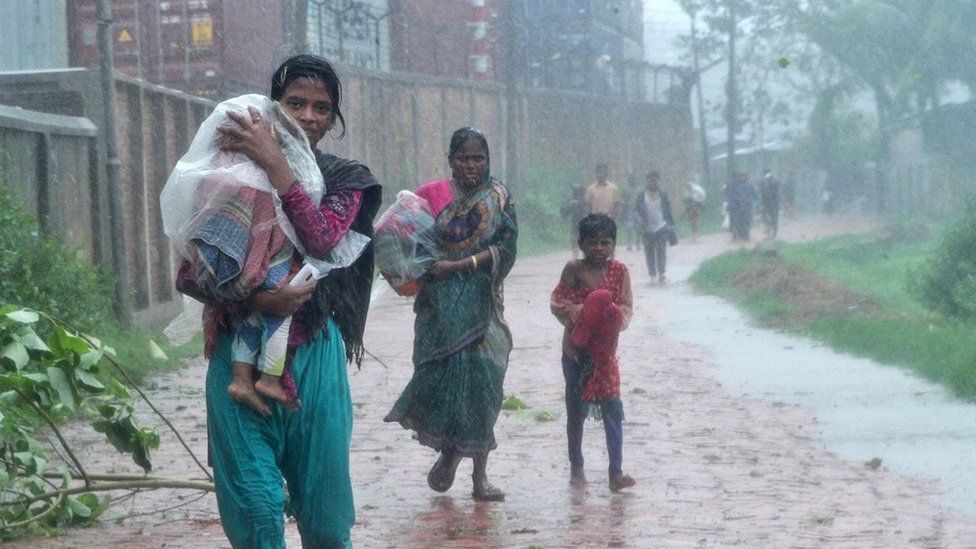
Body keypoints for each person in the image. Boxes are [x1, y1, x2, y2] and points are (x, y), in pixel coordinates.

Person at [174, 54, 382, 548]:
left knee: (328, 520)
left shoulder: (345, 178)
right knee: (256, 514)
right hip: (238, 359)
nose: (308, 116)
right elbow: (191, 271)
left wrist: (277, 164)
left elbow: (322, 239)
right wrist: (259, 298)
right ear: (275, 105)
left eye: (321, 107)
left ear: (334, 118)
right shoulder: (231, 171)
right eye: (295, 103)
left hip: (314, 358)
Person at [384, 127, 518, 502]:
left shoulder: (499, 197)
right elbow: (402, 238)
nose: (472, 165)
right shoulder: (431, 196)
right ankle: (450, 450)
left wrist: (460, 265)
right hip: (440, 309)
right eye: (464, 158)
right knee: (443, 383)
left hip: (482, 305)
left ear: (488, 161)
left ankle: (478, 477)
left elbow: (506, 250)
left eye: (479, 158)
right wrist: (402, 269)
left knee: (485, 386)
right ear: (451, 160)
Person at [550, 214, 636, 492]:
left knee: (612, 407)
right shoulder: (573, 269)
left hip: (606, 354)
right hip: (575, 352)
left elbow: (626, 307)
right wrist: (582, 313)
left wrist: (611, 319)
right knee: (576, 409)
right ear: (582, 243)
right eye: (593, 242)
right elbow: (557, 301)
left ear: (613, 244)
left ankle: (616, 472)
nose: (599, 248)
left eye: (605, 242)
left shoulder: (620, 272)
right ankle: (576, 464)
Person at [634, 171, 674, 284]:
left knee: (661, 249)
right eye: (650, 180)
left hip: (661, 226)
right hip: (646, 227)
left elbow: (668, 209)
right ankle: (652, 274)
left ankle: (661, 273)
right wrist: (638, 219)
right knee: (649, 251)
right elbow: (635, 210)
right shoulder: (641, 194)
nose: (653, 182)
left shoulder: (663, 194)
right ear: (647, 181)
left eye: (655, 180)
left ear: (658, 181)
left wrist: (671, 224)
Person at [725, 172, 756, 242]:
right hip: (735, 207)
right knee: (736, 221)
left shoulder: (748, 186)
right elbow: (729, 195)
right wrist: (739, 201)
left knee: (745, 221)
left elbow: (753, 195)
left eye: (743, 177)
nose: (741, 178)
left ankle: (744, 235)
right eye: (739, 177)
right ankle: (737, 236)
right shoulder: (732, 186)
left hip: (745, 206)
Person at [560, 185, 587, 259]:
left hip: (586, 225)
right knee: (574, 241)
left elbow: (588, 211)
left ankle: (585, 258)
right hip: (575, 225)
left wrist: (580, 205)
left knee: (585, 244)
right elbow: (563, 213)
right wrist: (569, 206)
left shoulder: (586, 201)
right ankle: (575, 257)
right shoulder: (571, 201)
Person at [621, 173, 643, 250]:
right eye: (630, 179)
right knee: (629, 227)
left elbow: (642, 200)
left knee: (639, 228)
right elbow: (622, 200)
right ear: (628, 180)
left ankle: (638, 243)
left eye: (633, 179)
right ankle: (629, 244)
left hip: (638, 211)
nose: (632, 181)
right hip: (630, 211)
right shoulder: (625, 189)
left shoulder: (640, 189)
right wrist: (623, 210)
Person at [758, 171, 782, 239]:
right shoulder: (763, 189)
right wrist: (762, 205)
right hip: (767, 206)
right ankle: (768, 232)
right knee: (766, 220)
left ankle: (773, 234)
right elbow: (762, 198)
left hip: (774, 206)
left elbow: (778, 183)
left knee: (774, 220)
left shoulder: (775, 189)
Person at [682, 178, 706, 242]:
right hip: (691, 207)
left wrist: (699, 203)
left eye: (689, 186)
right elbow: (686, 201)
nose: (688, 188)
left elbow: (702, 197)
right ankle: (694, 234)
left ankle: (695, 234)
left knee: (695, 221)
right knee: (691, 222)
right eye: (687, 187)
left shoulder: (696, 190)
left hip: (696, 206)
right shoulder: (687, 192)